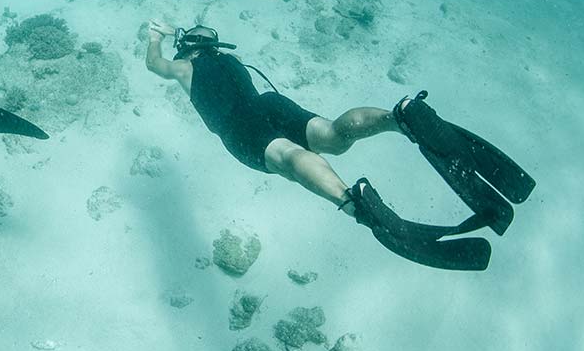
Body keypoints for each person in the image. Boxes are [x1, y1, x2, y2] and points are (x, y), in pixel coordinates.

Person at [145, 20, 535, 271]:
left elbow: (154, 65)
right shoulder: (233, 62)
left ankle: (355, 203)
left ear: (189, 48)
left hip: (239, 126)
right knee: (332, 134)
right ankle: (398, 117)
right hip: (270, 104)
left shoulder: (186, 66)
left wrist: (154, 37)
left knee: (290, 157)